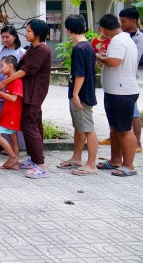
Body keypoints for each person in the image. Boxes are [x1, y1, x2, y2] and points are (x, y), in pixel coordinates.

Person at [0, 19, 52, 179]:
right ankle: (34, 159)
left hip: (34, 93)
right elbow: (20, 67)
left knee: (30, 127)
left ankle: (41, 166)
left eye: (29, 31)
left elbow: (23, 72)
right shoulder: (31, 49)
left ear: (38, 33)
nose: (26, 34)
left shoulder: (43, 50)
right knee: (33, 125)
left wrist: (2, 83)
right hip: (27, 92)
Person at [95, 14, 139, 177]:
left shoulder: (119, 40)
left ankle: (129, 165)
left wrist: (98, 56)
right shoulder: (123, 39)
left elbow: (114, 62)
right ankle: (115, 160)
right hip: (115, 91)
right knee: (114, 128)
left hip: (123, 92)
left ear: (104, 29)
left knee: (124, 129)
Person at [57, 14, 99, 175]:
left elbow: (80, 74)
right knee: (79, 127)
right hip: (85, 92)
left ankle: (91, 164)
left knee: (88, 128)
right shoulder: (87, 46)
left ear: (67, 30)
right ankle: (76, 157)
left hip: (82, 94)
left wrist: (75, 93)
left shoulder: (79, 48)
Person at [0, 26, 25, 157]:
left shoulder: (21, 53)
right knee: (2, 116)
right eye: (2, 37)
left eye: (7, 37)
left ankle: (17, 148)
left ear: (14, 37)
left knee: (13, 119)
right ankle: (6, 146)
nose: (4, 40)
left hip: (12, 91)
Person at [118, 7, 143, 151]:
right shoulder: (120, 35)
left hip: (129, 79)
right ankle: (114, 137)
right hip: (117, 79)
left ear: (134, 21)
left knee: (134, 113)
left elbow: (133, 58)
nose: (121, 24)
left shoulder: (141, 39)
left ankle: (138, 143)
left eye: (124, 21)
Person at [0, 56, 23, 170]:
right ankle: (15, 161)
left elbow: (14, 98)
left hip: (11, 114)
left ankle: (13, 157)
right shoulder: (10, 80)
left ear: (10, 66)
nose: (1, 69)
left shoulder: (16, 81)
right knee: (12, 135)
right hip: (9, 112)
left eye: (2, 66)